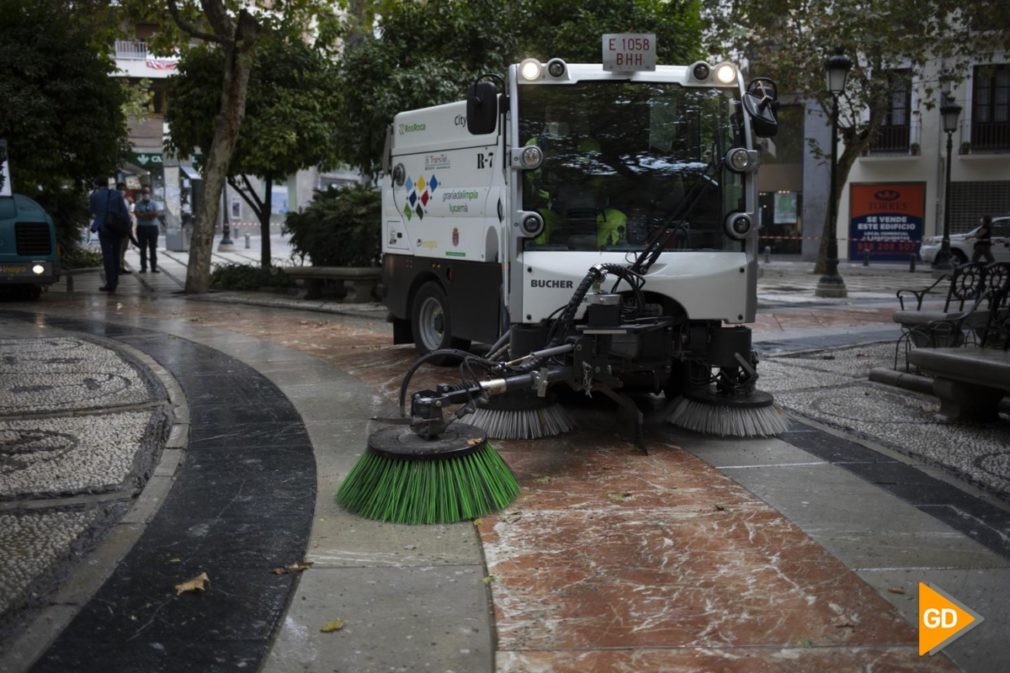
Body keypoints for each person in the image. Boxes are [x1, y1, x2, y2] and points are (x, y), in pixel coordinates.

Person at [89, 177, 131, 292]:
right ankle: (116, 279)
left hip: (103, 228)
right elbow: (124, 212)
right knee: (116, 254)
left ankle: (110, 282)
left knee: (107, 256)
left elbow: (92, 211)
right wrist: (127, 227)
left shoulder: (94, 196)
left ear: (97, 185)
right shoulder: (117, 194)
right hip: (116, 227)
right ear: (107, 184)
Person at [134, 187, 162, 273]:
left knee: (153, 249)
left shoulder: (154, 203)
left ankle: (154, 267)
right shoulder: (138, 203)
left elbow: (156, 214)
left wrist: (144, 214)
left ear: (150, 193)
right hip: (141, 228)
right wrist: (149, 214)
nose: (146, 194)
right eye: (144, 193)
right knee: (142, 249)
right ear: (142, 194)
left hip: (152, 228)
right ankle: (143, 267)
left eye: (147, 192)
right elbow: (137, 215)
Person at [116, 182, 134, 274]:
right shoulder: (114, 200)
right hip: (118, 227)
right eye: (120, 189)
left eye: (123, 189)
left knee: (124, 248)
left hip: (126, 227)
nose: (122, 191)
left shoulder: (126, 200)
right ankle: (118, 267)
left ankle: (121, 266)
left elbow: (129, 212)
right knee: (119, 248)